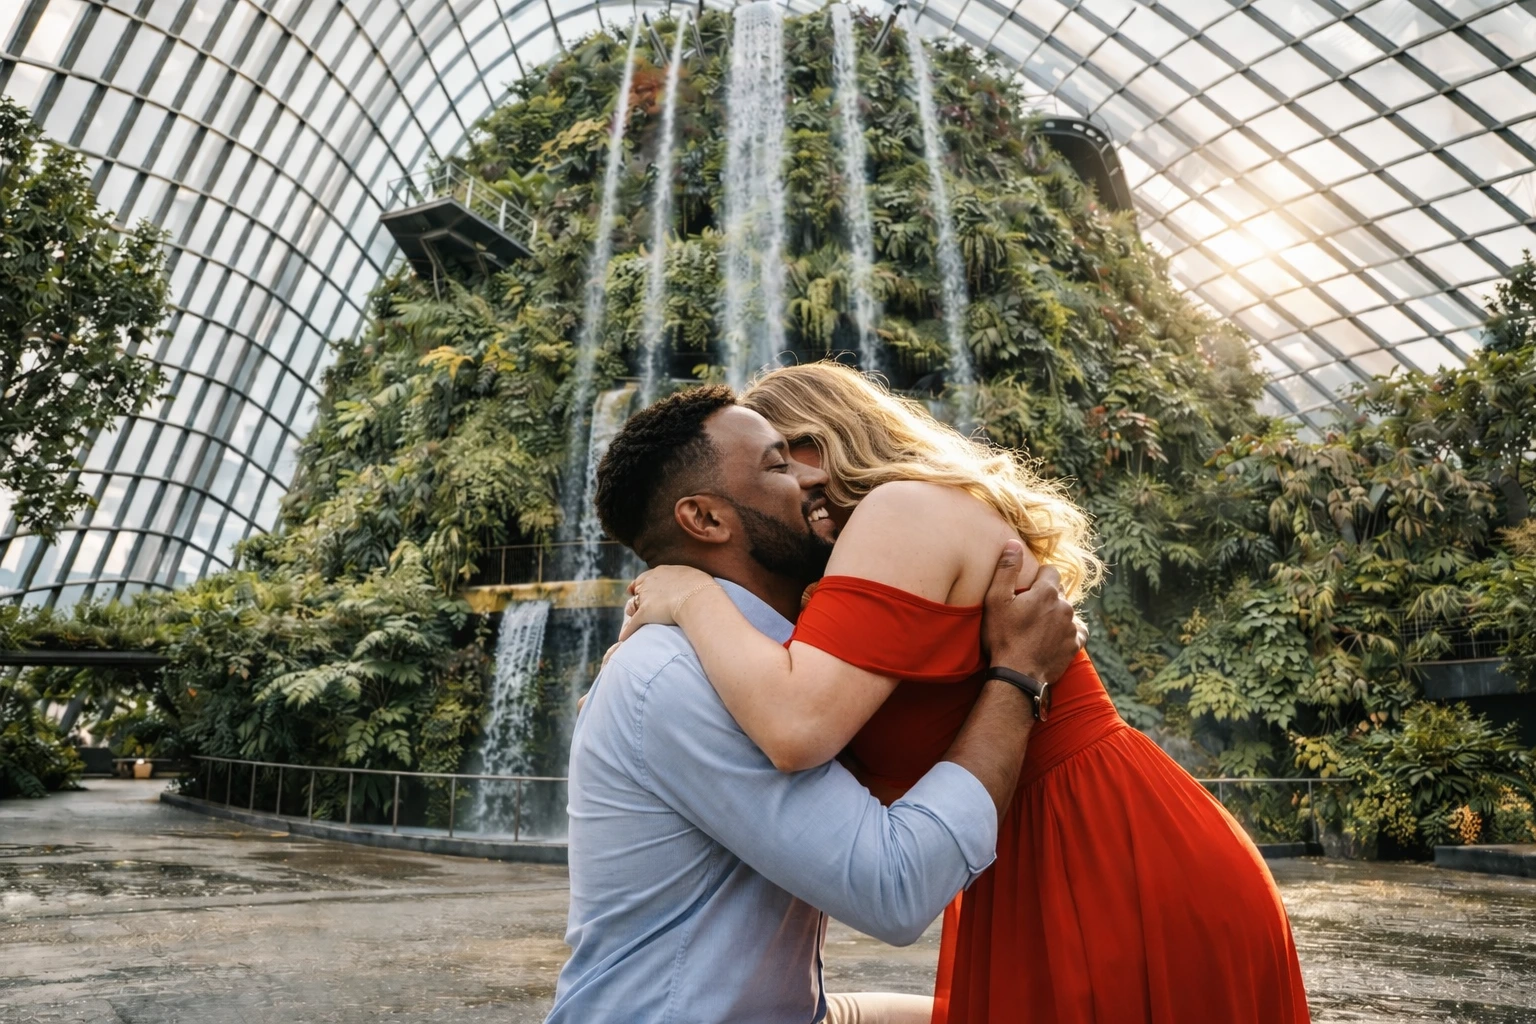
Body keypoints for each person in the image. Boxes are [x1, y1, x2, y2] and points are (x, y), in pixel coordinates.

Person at [621, 363, 1312, 1024]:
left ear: (827, 440)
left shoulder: (902, 509)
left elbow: (797, 728)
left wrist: (690, 595)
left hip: (1110, 847)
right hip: (1035, 859)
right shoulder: (854, 573)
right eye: (768, 470)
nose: (788, 486)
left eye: (783, 458)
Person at [545, 385, 1084, 1024]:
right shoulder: (683, 679)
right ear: (707, 520)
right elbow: (896, 887)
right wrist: (1017, 677)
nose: (814, 479)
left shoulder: (779, 666)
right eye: (779, 465)